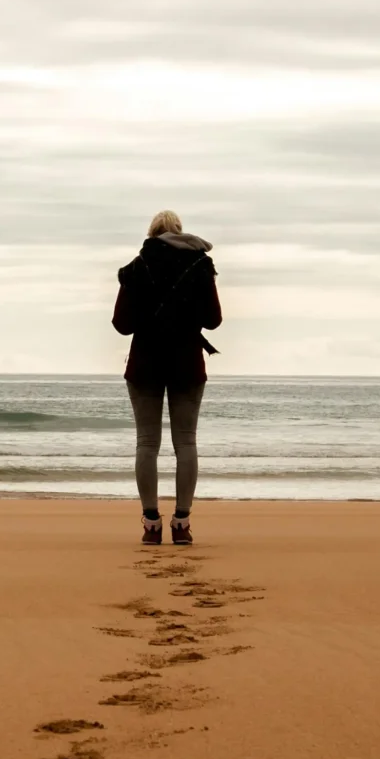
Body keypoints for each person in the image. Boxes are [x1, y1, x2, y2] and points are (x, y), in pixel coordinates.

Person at [111, 209, 221, 545]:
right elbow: (214, 319)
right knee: (186, 442)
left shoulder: (136, 267)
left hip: (145, 364)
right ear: (180, 232)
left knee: (147, 443)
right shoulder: (200, 265)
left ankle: (151, 523)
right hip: (186, 363)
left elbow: (122, 324)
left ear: (152, 233)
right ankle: (182, 523)